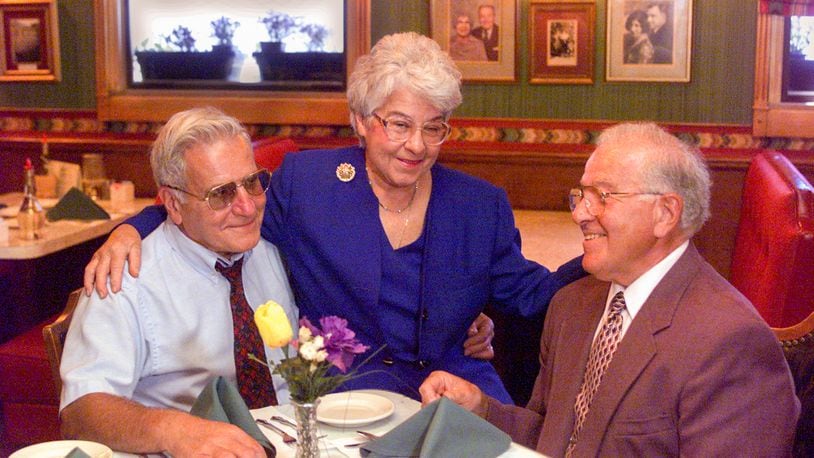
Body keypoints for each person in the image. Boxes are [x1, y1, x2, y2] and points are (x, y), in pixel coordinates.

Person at [84, 32, 585, 404]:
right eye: (399, 124)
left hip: (458, 389)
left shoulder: (479, 204)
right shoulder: (308, 184)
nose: (417, 145)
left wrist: (609, 252)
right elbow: (220, 207)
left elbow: (532, 296)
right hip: (349, 401)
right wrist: (132, 228)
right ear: (361, 122)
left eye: (434, 128)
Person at [420, 122, 800, 456]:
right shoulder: (572, 305)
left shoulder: (729, 343)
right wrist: (483, 409)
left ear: (665, 213)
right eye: (581, 195)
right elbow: (555, 439)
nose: (580, 213)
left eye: (602, 196)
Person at [60, 108, 297, 456]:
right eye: (221, 194)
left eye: (252, 182)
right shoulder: (126, 276)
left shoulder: (273, 249)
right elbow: (80, 412)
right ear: (173, 203)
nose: (247, 207)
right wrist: (172, 429)